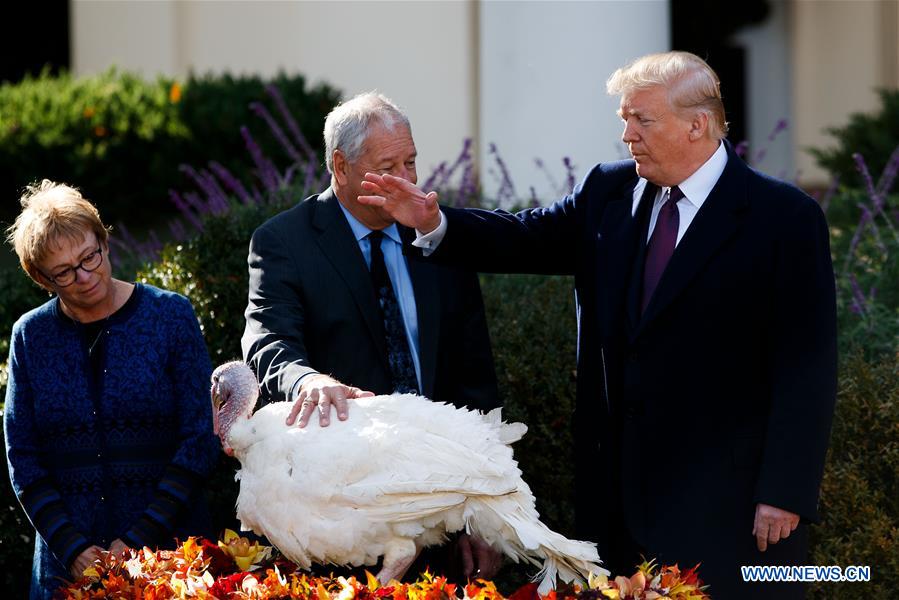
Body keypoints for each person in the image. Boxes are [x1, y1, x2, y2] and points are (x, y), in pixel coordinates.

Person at [358, 52, 837, 599]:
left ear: (697, 124)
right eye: (624, 119)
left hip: (729, 506)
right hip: (615, 506)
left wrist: (786, 490)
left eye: (642, 120)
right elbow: (524, 236)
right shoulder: (609, 192)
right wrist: (433, 222)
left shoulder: (783, 219)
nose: (627, 134)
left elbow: (808, 364)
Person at [241, 92, 502, 581]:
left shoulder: (436, 237)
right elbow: (266, 342)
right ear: (341, 167)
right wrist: (307, 382)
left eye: (411, 162)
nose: (408, 180)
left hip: (439, 512)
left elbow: (474, 380)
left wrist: (484, 512)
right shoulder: (284, 243)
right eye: (390, 166)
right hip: (342, 524)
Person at [3, 180, 219, 600]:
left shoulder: (170, 316)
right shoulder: (31, 337)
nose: (84, 276)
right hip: (67, 571)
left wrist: (137, 539)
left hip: (173, 559)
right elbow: (22, 457)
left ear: (104, 240)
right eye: (64, 272)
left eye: (90, 256)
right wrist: (74, 548)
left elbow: (199, 438)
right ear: (40, 278)